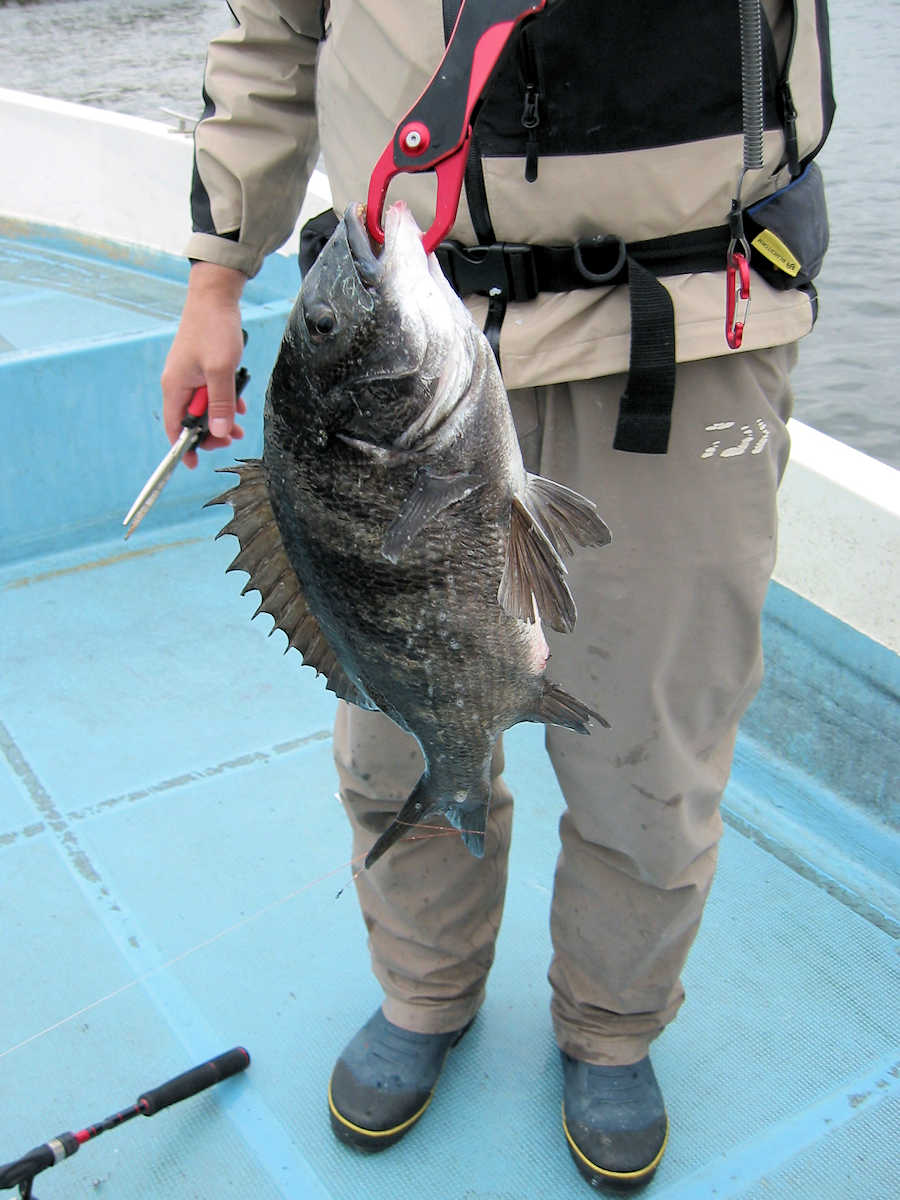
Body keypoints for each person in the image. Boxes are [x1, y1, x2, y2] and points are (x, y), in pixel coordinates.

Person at [162, 1, 834, 1190]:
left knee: (654, 745)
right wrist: (216, 280)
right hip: (395, 319)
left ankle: (612, 1024)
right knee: (392, 728)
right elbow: (273, 33)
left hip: (687, 319)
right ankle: (424, 988)